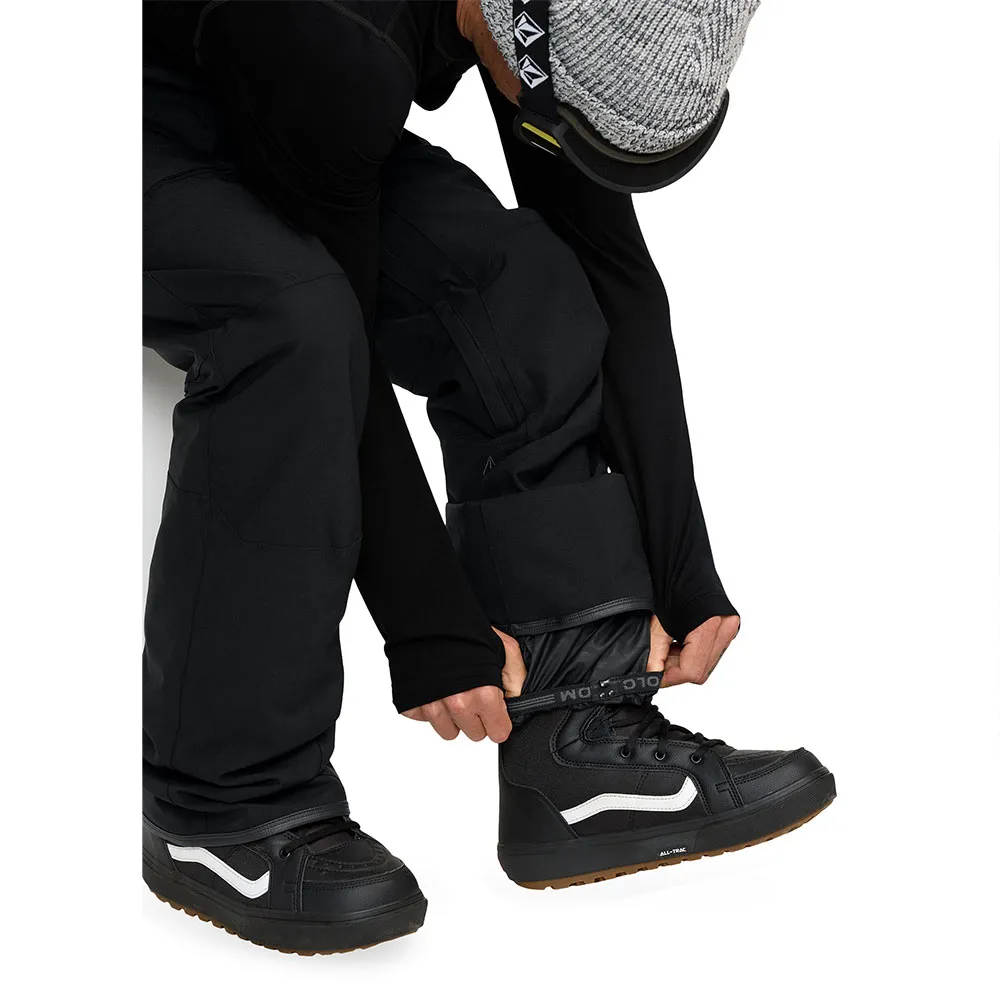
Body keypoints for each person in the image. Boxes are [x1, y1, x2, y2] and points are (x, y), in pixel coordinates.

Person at [142, 0, 833, 955]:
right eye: (572, 125)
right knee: (293, 324)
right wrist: (433, 633)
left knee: (517, 287)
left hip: (265, 102)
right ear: (530, 47)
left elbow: (606, 261)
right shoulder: (342, 43)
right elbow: (343, 345)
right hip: (106, 104)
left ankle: (578, 744)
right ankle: (220, 810)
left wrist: (684, 568)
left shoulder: (550, 21)